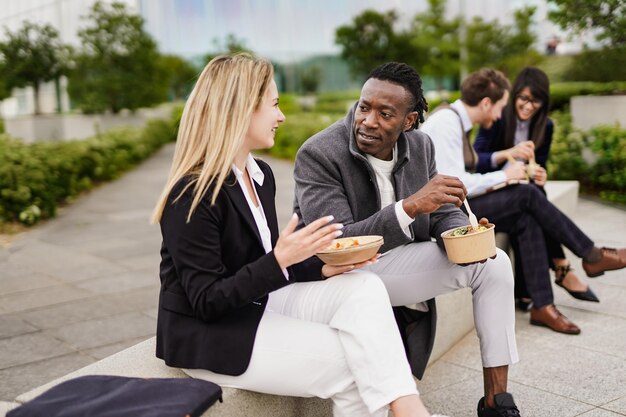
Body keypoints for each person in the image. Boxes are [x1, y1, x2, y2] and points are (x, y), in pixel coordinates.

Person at [151, 54, 449, 417]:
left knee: (363, 285)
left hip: (258, 304)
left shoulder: (259, 174)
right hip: (209, 334)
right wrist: (280, 259)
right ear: (241, 110)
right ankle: (412, 411)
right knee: (355, 363)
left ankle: (408, 408)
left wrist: (319, 268)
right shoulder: (192, 193)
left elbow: (264, 267)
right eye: (273, 105)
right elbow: (207, 301)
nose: (282, 116)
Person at [294, 62, 523, 417]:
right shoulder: (319, 153)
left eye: (385, 114)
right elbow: (336, 244)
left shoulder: (420, 146)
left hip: (397, 265)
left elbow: (443, 209)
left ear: (409, 121)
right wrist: (409, 207)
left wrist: (461, 233)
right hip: (343, 276)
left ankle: (497, 400)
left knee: (494, 263)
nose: (368, 120)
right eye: (364, 107)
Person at [421, 67, 626, 337]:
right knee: (527, 195)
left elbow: (465, 171)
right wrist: (505, 175)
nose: (499, 115)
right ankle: (591, 255)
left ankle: (543, 305)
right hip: (443, 214)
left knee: (526, 215)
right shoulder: (448, 123)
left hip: (453, 206)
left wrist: (508, 169)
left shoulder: (455, 121)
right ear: (486, 103)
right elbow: (456, 184)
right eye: (501, 106)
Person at [473, 66, 598, 308]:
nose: (529, 106)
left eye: (536, 101)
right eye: (524, 99)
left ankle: (527, 292)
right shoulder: (498, 118)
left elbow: (539, 163)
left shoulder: (546, 126)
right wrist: (507, 158)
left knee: (533, 198)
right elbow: (475, 160)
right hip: (494, 187)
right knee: (531, 198)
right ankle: (565, 265)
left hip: (525, 191)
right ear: (516, 94)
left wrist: (540, 173)